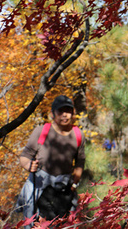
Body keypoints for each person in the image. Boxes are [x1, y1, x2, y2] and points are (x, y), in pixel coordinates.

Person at [17, 95, 85, 226]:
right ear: (52, 113)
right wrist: (28, 165)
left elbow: (80, 160)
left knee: (64, 222)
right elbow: (25, 155)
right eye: (61, 111)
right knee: (32, 220)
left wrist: (75, 182)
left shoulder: (78, 134)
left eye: (68, 111)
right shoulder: (41, 131)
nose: (65, 115)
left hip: (64, 185)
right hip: (39, 183)